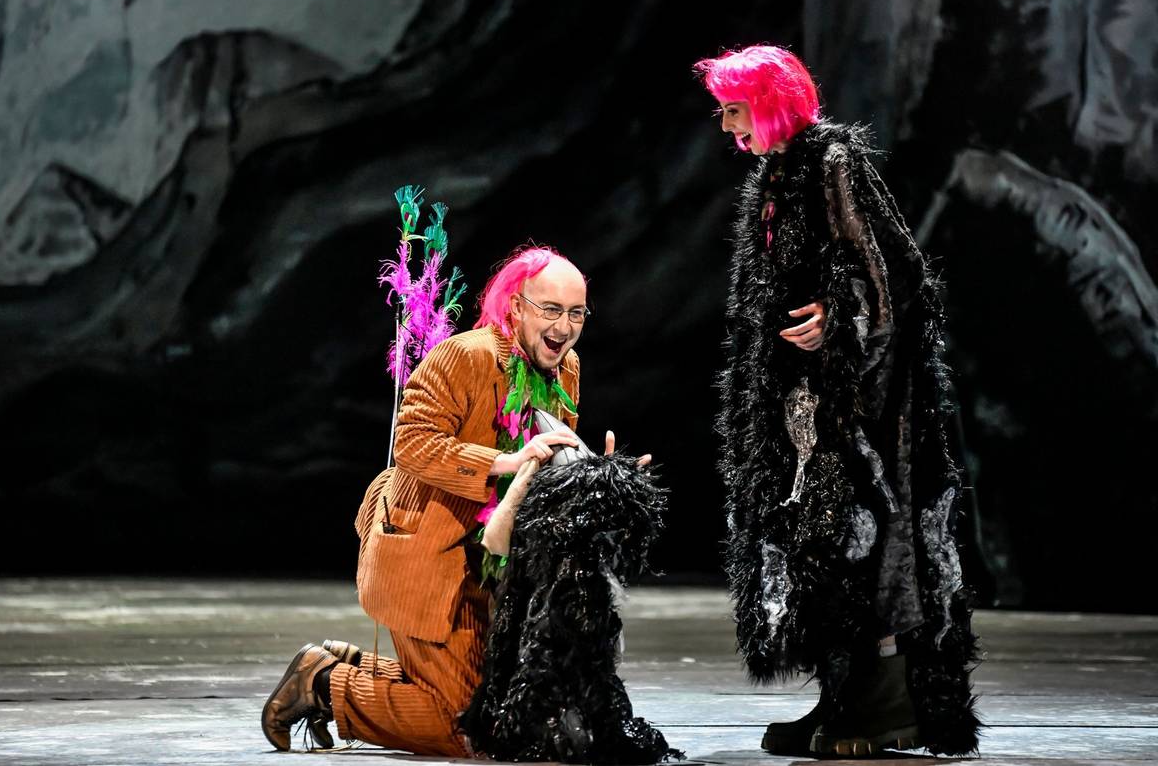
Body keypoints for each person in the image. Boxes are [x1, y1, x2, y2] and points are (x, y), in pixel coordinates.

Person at [694, 45, 980, 756]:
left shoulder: (832, 162)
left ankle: (878, 708)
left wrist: (840, 314)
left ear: (770, 104)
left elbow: (896, 271)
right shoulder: (776, 175)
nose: (728, 127)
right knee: (812, 547)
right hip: (799, 404)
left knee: (858, 543)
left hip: (851, 407)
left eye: (736, 111)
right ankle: (840, 698)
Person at [260, 245, 630, 756]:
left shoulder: (566, 369)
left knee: (500, 704)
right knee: (468, 727)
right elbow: (411, 443)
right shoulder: (466, 356)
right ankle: (325, 686)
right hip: (427, 555)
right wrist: (504, 461)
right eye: (550, 309)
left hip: (491, 558)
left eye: (576, 313)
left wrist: (600, 478)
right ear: (517, 307)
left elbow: (548, 464)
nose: (563, 327)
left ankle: (343, 665)